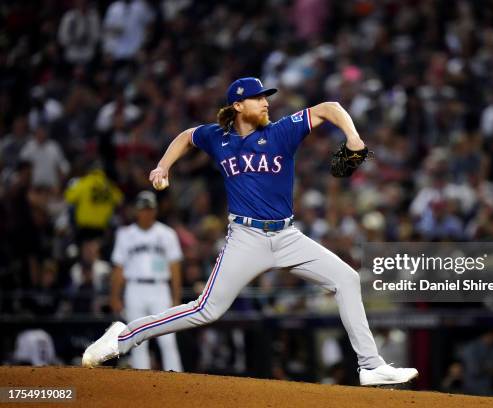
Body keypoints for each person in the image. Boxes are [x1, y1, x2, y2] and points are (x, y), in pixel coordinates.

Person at [83, 77, 418, 386]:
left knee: (346, 279)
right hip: (247, 238)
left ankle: (371, 366)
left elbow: (329, 108)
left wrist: (353, 136)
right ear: (238, 106)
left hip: (287, 236)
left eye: (265, 97)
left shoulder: (281, 132)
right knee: (206, 310)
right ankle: (124, 336)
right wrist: (162, 165)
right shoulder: (218, 138)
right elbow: (187, 136)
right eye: (258, 98)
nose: (266, 102)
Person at [108, 191, 183, 371]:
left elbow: (175, 268)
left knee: (167, 338)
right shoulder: (125, 234)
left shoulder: (167, 234)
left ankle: (178, 380)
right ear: (137, 211)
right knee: (137, 339)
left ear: (155, 211)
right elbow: (118, 268)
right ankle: (141, 381)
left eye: (150, 209)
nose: (147, 213)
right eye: (143, 209)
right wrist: (115, 296)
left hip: (160, 289)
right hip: (135, 288)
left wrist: (176, 297)